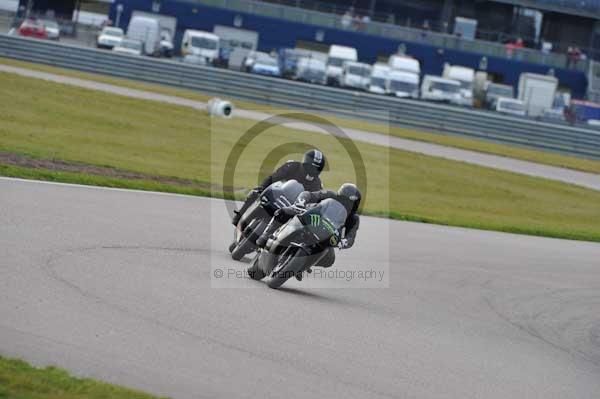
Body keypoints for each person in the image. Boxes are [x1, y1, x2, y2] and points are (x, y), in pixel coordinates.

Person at [256, 183, 361, 279]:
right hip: (309, 217)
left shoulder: (353, 218)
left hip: (326, 235)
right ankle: (266, 234)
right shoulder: (329, 195)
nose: (345, 204)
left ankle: (301, 265)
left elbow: (351, 236)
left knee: (330, 259)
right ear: (339, 196)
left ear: (354, 206)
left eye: (349, 203)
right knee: (283, 212)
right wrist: (301, 201)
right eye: (344, 200)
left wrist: (344, 242)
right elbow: (309, 194)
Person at [231, 149, 326, 226]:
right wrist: (262, 187)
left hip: (290, 207)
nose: (312, 170)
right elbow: (273, 177)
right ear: (304, 163)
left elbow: (314, 203)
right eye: (310, 167)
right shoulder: (292, 166)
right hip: (277, 194)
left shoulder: (317, 184)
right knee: (255, 192)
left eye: (316, 169)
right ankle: (240, 215)